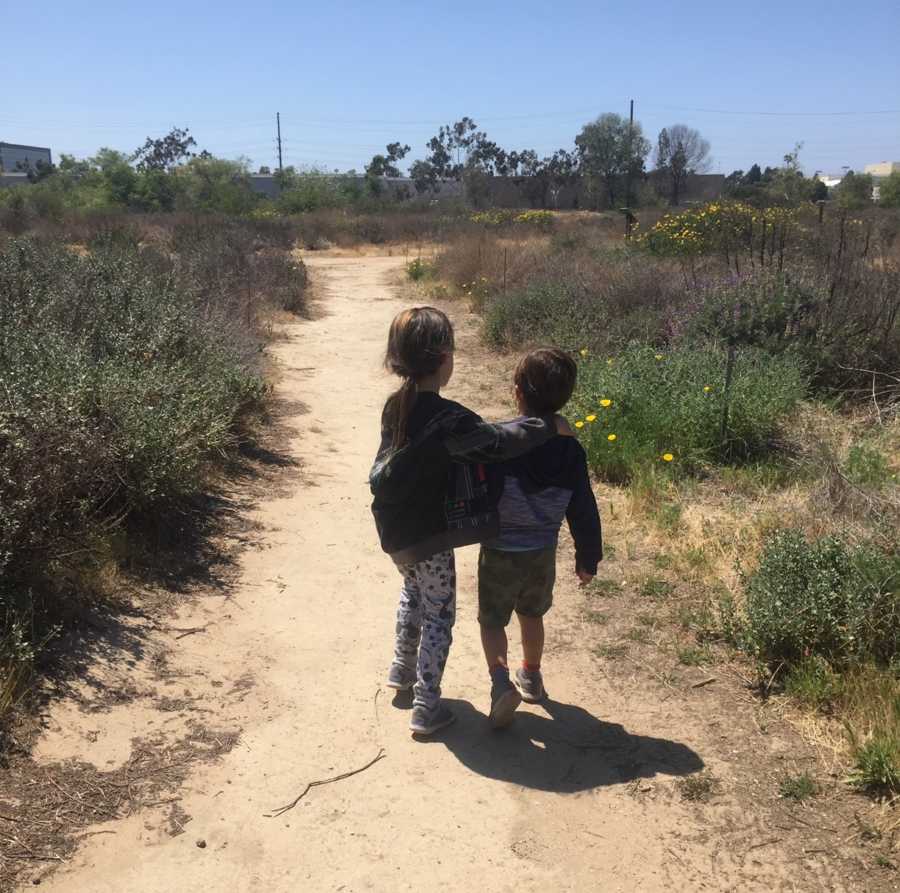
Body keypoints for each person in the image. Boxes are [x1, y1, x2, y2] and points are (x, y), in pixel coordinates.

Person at [370, 308, 571, 736]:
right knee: (440, 615)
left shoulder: (395, 406)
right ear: (444, 358)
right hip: (428, 535)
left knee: (412, 593)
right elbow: (497, 444)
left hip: (392, 529)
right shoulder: (450, 418)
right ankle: (427, 705)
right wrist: (547, 425)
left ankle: (401, 669)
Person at [478, 348, 602, 728]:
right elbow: (583, 506)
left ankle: (501, 683)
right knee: (532, 615)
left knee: (492, 620)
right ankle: (530, 675)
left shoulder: (503, 442)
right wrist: (587, 557)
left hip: (499, 549)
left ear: (517, 392)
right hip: (541, 552)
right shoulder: (571, 451)